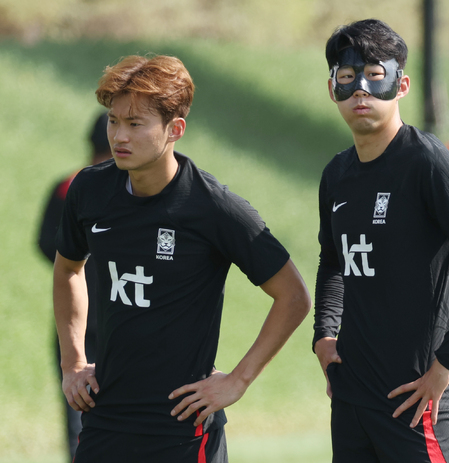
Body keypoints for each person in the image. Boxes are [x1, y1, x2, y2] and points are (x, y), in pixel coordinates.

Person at [53, 54, 311, 463]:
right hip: (104, 423)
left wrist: (239, 380)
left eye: (135, 124)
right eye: (114, 121)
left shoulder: (215, 208)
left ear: (175, 130)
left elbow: (294, 296)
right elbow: (68, 267)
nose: (119, 135)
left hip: (182, 431)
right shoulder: (89, 191)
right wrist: (73, 361)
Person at [313, 19, 449, 462]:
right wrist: (324, 334)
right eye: (346, 78)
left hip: (417, 402)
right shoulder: (337, 174)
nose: (359, 89)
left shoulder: (427, 162)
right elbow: (333, 262)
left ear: (401, 85)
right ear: (332, 90)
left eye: (373, 75)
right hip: (352, 401)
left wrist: (445, 365)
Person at [37, 112, 112, 462]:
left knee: (77, 409)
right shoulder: (130, 192)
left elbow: (44, 245)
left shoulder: (66, 187)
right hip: (123, 317)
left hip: (72, 322)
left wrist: (74, 269)